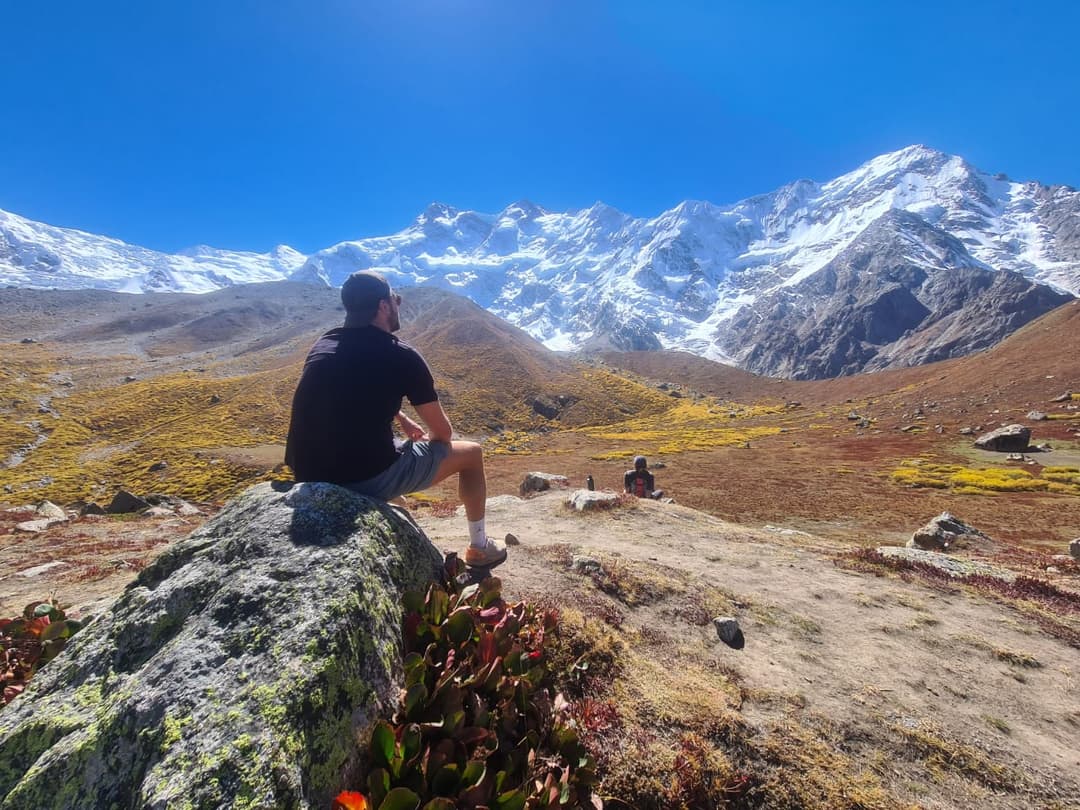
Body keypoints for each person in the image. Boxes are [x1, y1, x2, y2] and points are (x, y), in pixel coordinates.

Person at [284, 270, 506, 567]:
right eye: (395, 299)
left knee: (391, 459)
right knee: (472, 454)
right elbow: (442, 434)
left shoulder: (324, 344)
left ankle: (394, 507)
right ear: (383, 306)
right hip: (360, 478)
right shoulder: (402, 356)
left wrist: (400, 416)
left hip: (307, 472)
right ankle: (480, 547)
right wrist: (424, 443)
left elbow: (343, 392)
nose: (398, 304)